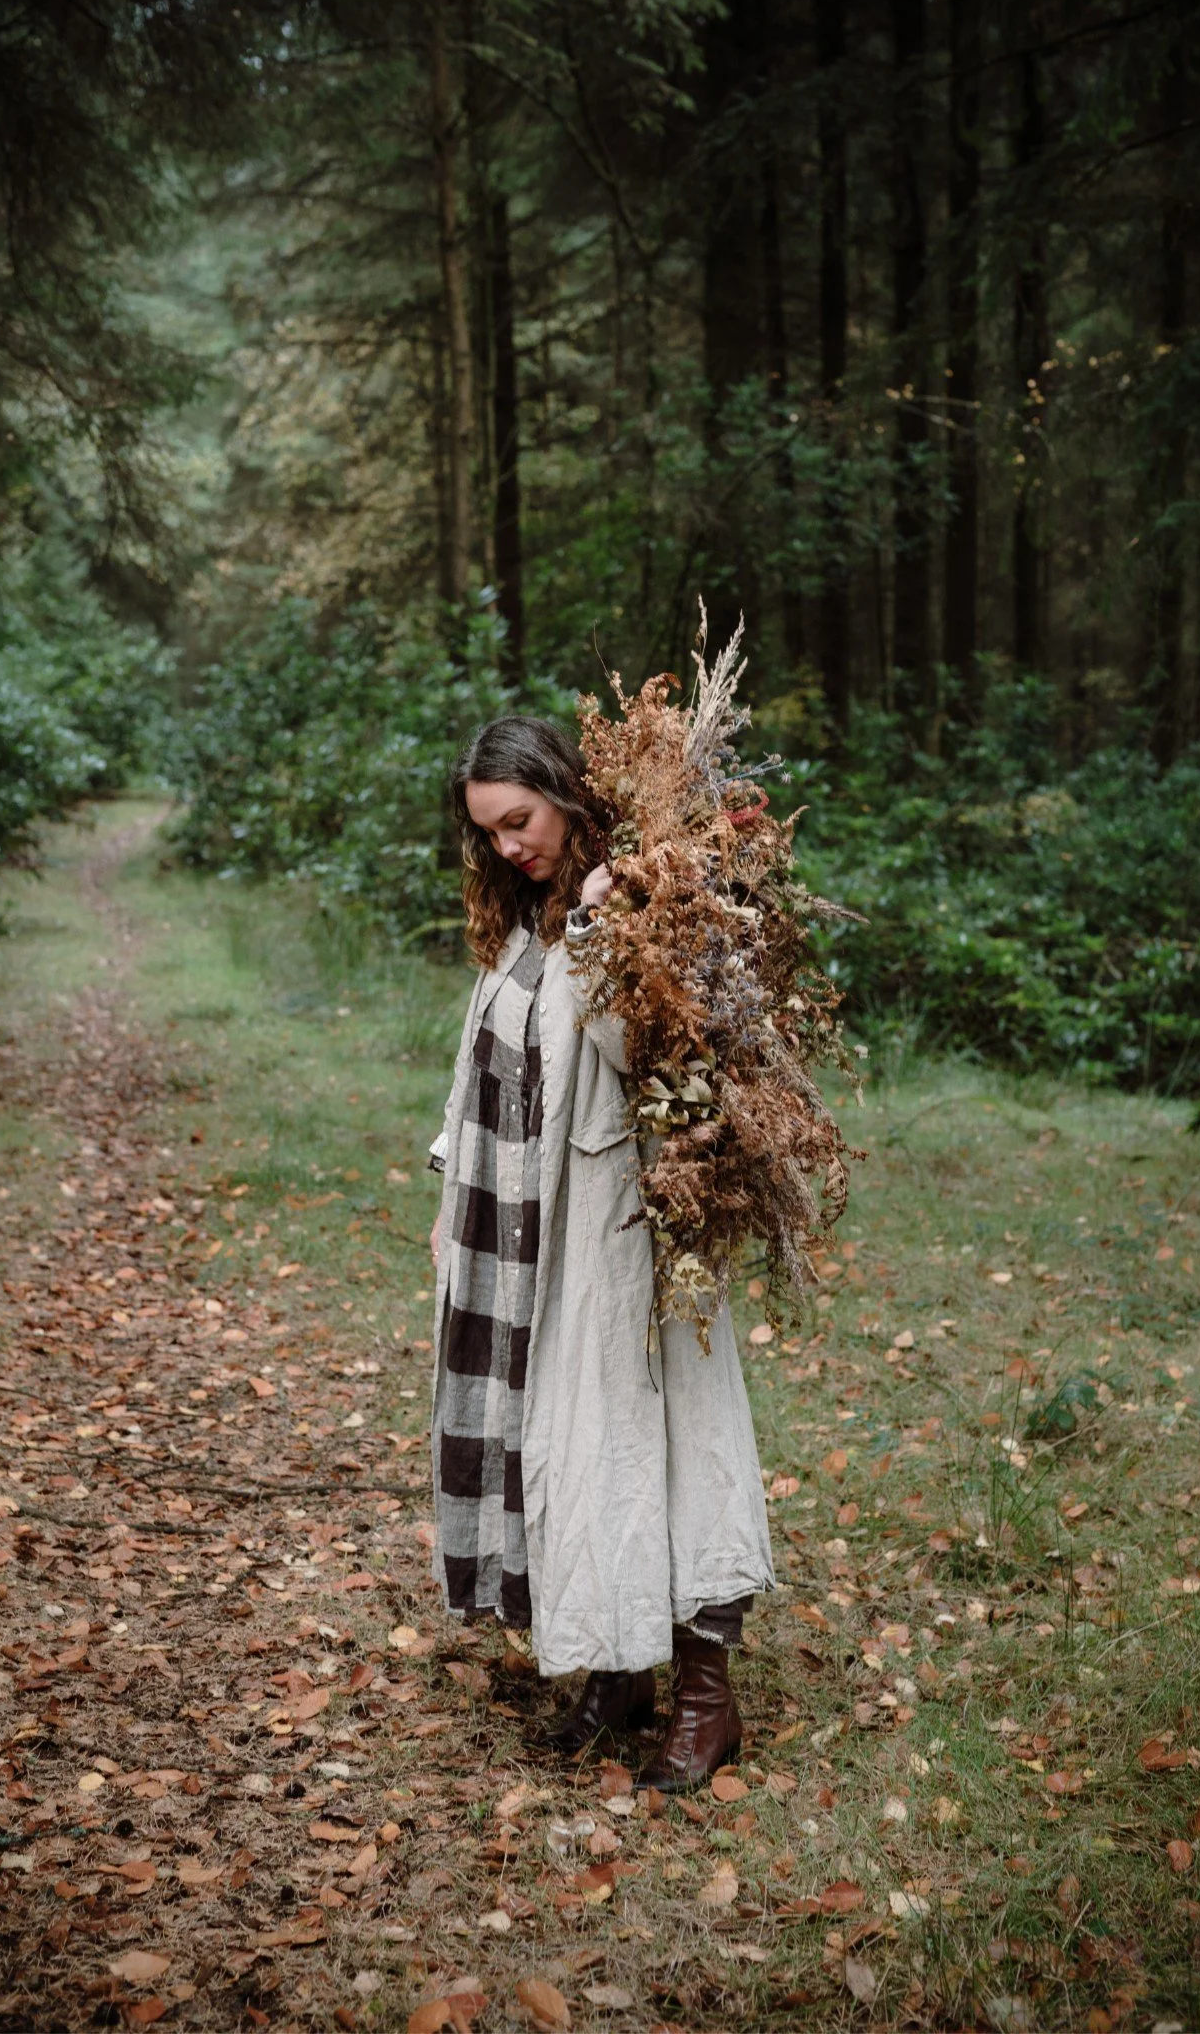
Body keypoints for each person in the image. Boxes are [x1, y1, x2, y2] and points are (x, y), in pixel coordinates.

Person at [426, 715, 774, 1788]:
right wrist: (452, 1196)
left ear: (568, 794)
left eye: (518, 822)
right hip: (525, 1230)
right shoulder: (531, 909)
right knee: (566, 1446)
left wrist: (601, 927)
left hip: (625, 1233)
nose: (506, 847)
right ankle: (615, 1670)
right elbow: (494, 1052)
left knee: (661, 1441)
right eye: (487, 833)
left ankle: (705, 1702)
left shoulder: (640, 898)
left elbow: (657, 1058)